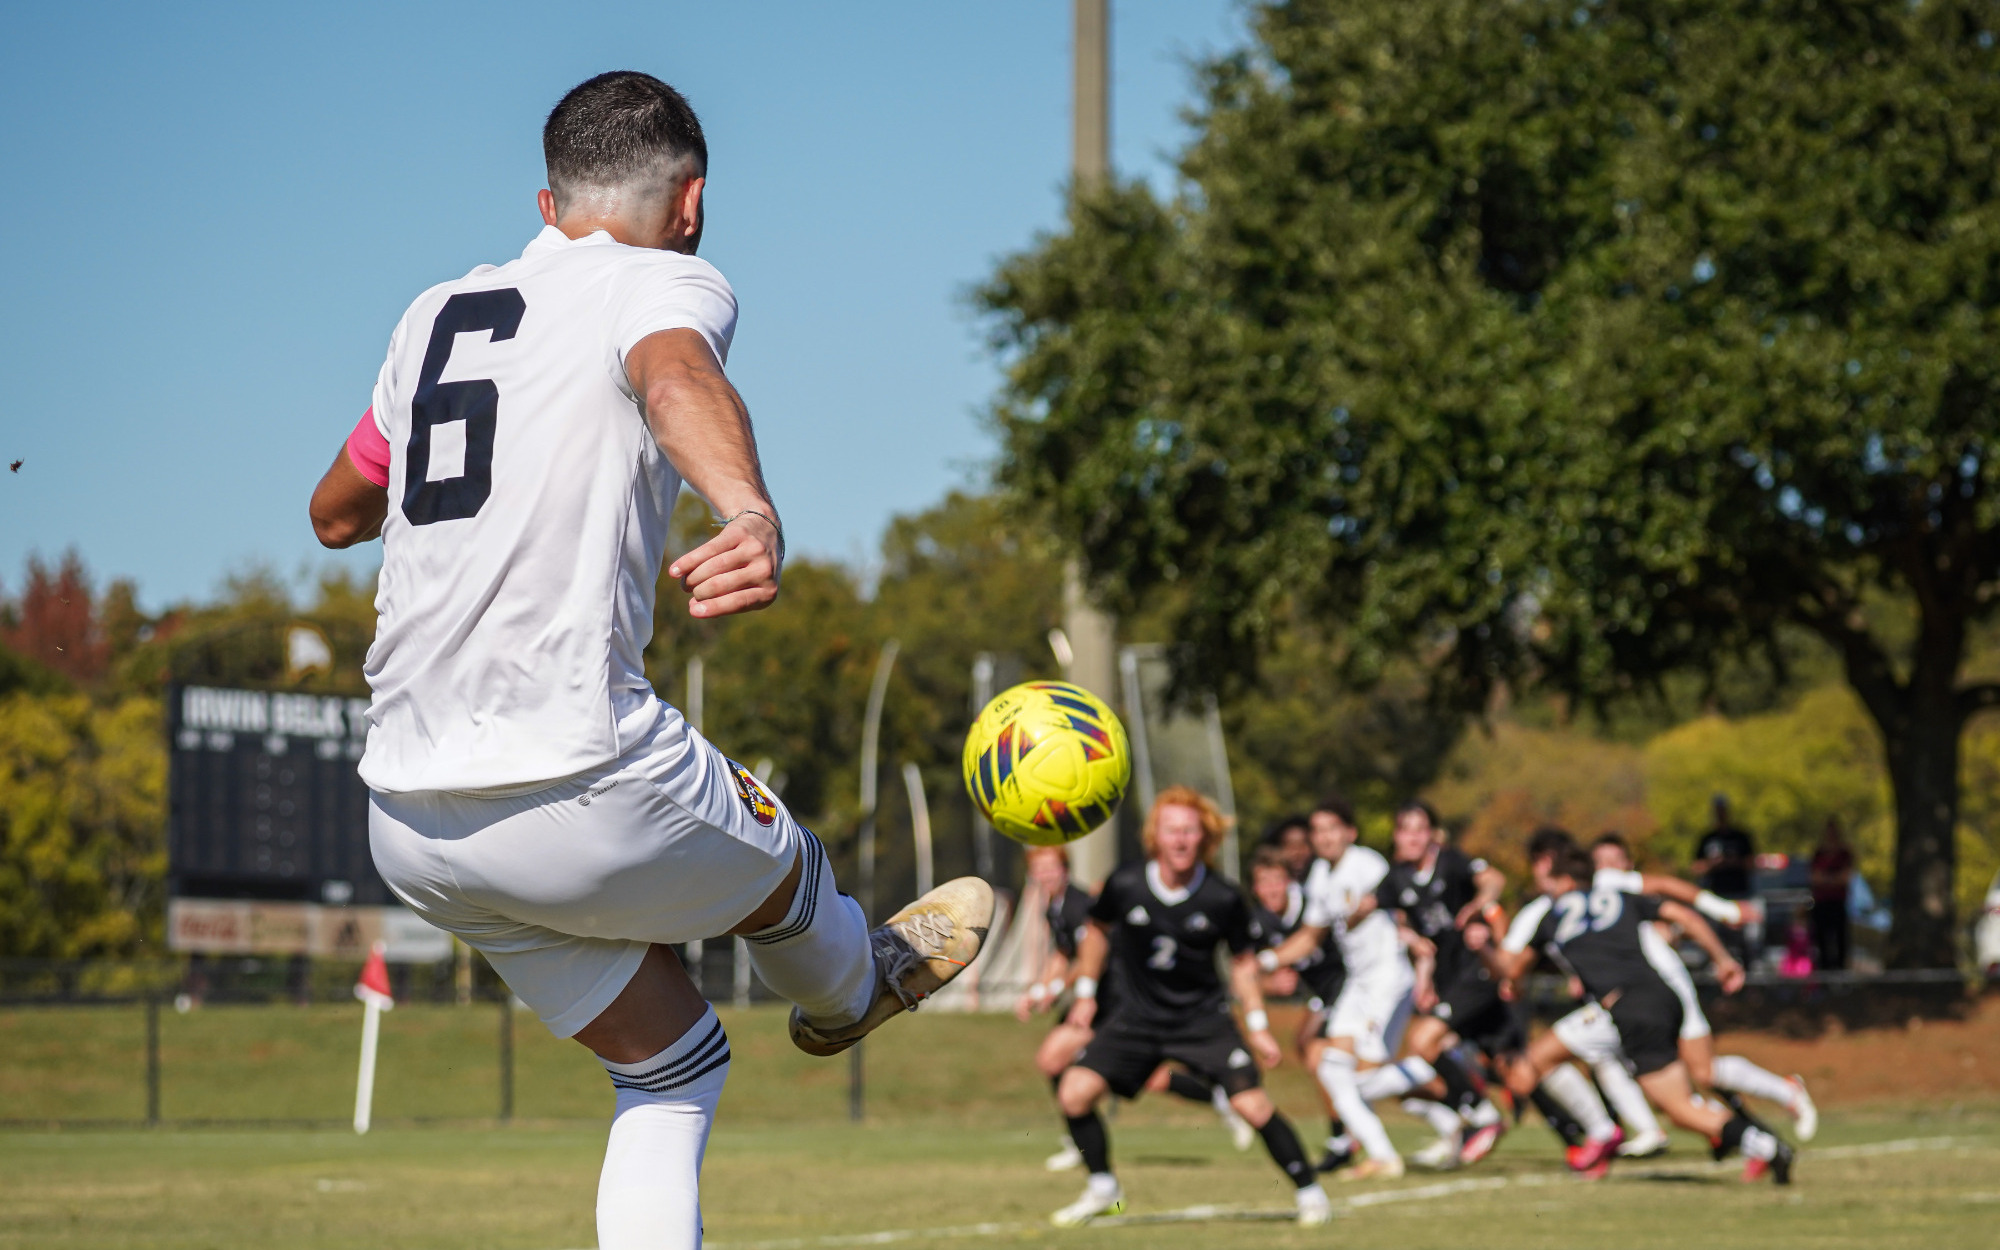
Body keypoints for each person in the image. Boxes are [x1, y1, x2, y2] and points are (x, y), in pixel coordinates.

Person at [308, 72, 993, 1250]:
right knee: (789, 869)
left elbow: (333, 510)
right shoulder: (664, 276)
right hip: (579, 766)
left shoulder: (433, 316)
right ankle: (849, 988)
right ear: (691, 203)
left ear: (547, 201)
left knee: (672, 1069)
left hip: (408, 818)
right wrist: (750, 513)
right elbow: (673, 375)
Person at [1050, 787, 1331, 1227]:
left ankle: (1310, 1192)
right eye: (1171, 830)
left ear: (1204, 837)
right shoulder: (1126, 882)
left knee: (1252, 1105)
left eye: (1190, 830)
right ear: (1155, 837)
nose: (1180, 840)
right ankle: (1103, 1188)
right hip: (1137, 1017)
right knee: (1074, 1092)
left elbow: (1242, 964)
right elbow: (1097, 931)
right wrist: (1085, 992)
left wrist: (1256, 1024)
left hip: (1202, 1018)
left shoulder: (1222, 896)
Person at [1488, 843, 1796, 1185]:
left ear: (1562, 881)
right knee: (1679, 1105)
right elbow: (1685, 915)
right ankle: (1766, 1145)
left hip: (1623, 1007)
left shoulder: (1553, 914)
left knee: (1534, 1064)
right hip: (1662, 995)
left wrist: (1509, 981)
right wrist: (1721, 958)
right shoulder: (1620, 896)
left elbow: (1515, 970)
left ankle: (1602, 1131)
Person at [1018, 845, 1251, 1172]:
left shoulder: (1079, 904)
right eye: (1039, 868)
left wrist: (1056, 989)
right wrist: (1040, 988)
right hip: (1100, 1002)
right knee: (1151, 1077)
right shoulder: (1054, 908)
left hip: (1113, 1000)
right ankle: (1220, 1098)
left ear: (1065, 869)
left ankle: (1080, 1139)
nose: (1045, 875)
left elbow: (1088, 956)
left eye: (1051, 867)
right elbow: (1062, 954)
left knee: (1058, 1060)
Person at [1590, 834, 1817, 1142]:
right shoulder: (1591, 899)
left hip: (1662, 987)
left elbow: (1670, 889)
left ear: (1629, 866)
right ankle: (1733, 1128)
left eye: (1615, 861)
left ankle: (1759, 1116)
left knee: (1698, 1072)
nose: (1608, 869)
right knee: (1689, 1075)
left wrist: (1724, 910)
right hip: (1632, 995)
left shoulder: (1610, 885)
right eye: (1601, 862)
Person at [1259, 795, 1423, 1181]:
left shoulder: (1366, 863)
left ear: (1350, 832)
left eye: (1333, 828)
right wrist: (1264, 961)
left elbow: (1398, 902)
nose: (1325, 837)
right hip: (1358, 983)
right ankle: (1382, 1155)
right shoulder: (1319, 876)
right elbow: (1309, 937)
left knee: (1360, 1077)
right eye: (1318, 830)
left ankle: (1427, 1072)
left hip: (1387, 977)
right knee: (1333, 1070)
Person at [1373, 801, 1512, 1169]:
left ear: (1432, 834)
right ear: (1396, 836)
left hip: (1476, 971)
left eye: (1420, 829)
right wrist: (1411, 944)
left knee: (1422, 1041)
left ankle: (1482, 1117)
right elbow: (1388, 917)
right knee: (1506, 1067)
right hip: (1447, 981)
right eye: (1406, 829)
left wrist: (1481, 901)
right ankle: (1472, 1117)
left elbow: (1494, 879)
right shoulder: (1396, 877)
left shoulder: (1451, 862)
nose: (1413, 837)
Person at [1246, 845, 1352, 1172]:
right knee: (1308, 1048)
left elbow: (1305, 942)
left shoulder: (1311, 905)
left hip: (1352, 986)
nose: (1271, 889)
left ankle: (1344, 1138)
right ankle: (1343, 1135)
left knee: (1322, 1056)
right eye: (1264, 883)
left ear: (1290, 881)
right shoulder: (1260, 922)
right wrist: (1269, 984)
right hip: (1324, 994)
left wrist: (1270, 962)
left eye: (1277, 880)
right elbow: (1249, 976)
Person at [1809, 818, 1854, 973]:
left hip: (1838, 903)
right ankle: (1823, 976)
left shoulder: (1844, 854)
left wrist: (1826, 879)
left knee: (1840, 940)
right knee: (1821, 941)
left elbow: (1845, 878)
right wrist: (1834, 879)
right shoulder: (1818, 853)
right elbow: (1815, 878)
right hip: (1821, 903)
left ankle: (1840, 974)